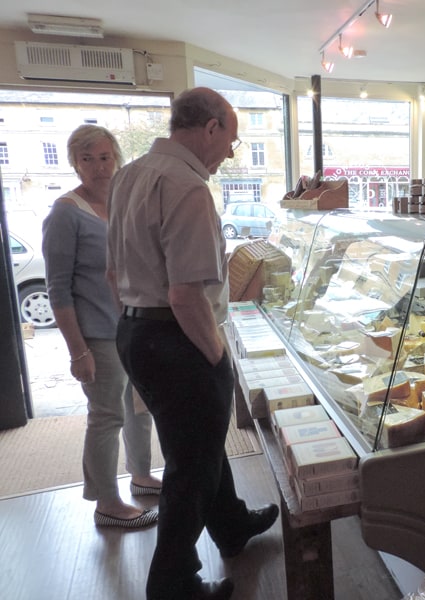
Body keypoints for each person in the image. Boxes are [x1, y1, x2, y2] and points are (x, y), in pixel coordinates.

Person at [106, 87, 278, 600]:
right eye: (232, 139)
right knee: (190, 468)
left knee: (197, 444)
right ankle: (173, 582)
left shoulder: (129, 174)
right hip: (178, 337)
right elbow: (185, 295)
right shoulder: (188, 186)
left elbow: (113, 273)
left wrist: (141, 331)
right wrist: (217, 356)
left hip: (137, 331)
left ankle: (231, 525)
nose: (230, 151)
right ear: (210, 128)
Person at [41, 124, 161, 530]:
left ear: (117, 159)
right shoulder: (66, 212)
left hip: (133, 325)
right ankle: (107, 502)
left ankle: (142, 476)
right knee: (107, 416)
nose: (98, 167)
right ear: (75, 164)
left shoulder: (123, 200)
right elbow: (58, 289)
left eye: (105, 157)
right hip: (97, 333)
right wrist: (78, 351)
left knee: (139, 409)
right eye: (87, 159)